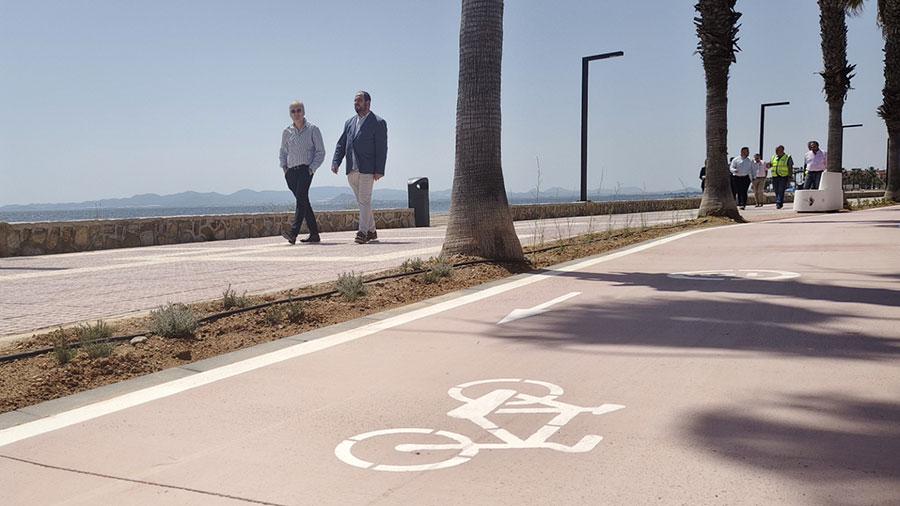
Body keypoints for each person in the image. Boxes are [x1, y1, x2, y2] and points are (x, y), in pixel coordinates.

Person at [331, 91, 388, 244]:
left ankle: (362, 232)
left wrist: (379, 170)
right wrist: (336, 161)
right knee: (362, 202)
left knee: (364, 200)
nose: (356, 103)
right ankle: (372, 231)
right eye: (354, 101)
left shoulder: (378, 122)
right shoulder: (349, 123)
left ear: (368, 103)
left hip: (368, 168)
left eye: (359, 100)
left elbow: (382, 148)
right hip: (352, 169)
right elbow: (342, 143)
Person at [279, 101, 325, 244]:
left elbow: (320, 152)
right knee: (304, 201)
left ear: (304, 111)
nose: (296, 113)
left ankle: (293, 233)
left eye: (299, 110)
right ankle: (314, 234)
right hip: (291, 172)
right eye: (293, 111)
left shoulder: (313, 129)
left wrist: (312, 168)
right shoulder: (287, 132)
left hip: (306, 170)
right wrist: (284, 168)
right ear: (290, 114)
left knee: (300, 200)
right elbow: (283, 151)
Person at [765, 145, 794, 209]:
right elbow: (771, 165)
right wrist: (768, 165)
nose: (776, 151)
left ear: (782, 150)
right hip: (775, 176)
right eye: (776, 150)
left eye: (777, 150)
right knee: (776, 190)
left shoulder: (787, 157)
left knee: (781, 190)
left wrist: (790, 176)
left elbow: (790, 167)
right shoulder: (773, 157)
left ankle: (779, 203)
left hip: (783, 176)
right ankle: (779, 201)